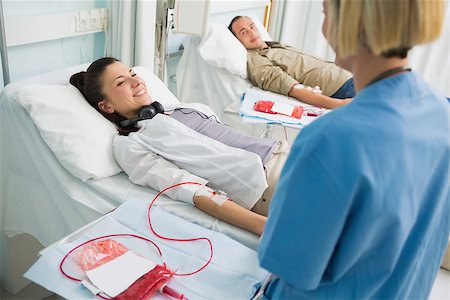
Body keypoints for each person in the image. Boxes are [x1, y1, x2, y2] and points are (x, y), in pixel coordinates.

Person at [258, 0, 449, 299]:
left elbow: (290, 269)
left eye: (324, 11)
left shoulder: (329, 140)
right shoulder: (443, 115)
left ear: (350, 21)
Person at [70, 57, 290, 236]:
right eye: (121, 82)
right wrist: (263, 226)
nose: (136, 82)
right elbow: (191, 189)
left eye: (133, 74)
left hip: (287, 154)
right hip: (270, 183)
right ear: (107, 106)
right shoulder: (131, 143)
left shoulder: (175, 108)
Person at [229, 15, 354, 109]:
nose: (252, 33)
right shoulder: (256, 61)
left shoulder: (274, 46)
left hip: (352, 77)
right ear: (237, 40)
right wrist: (338, 104)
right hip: (343, 90)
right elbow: (294, 89)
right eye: (244, 32)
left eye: (252, 27)